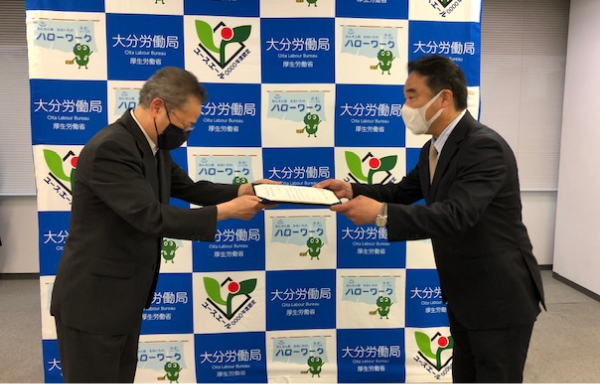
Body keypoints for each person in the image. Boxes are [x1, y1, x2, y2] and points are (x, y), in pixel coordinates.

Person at [316, 55, 545, 383]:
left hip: (499, 297)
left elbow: (456, 215)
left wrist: (379, 215)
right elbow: (402, 192)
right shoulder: (433, 148)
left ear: (445, 98)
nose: (405, 106)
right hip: (465, 295)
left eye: (412, 96)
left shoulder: (484, 147)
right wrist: (351, 189)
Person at [50, 66, 276, 383]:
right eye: (184, 124)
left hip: (123, 299)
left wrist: (243, 190)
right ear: (157, 106)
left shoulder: (152, 146)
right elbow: (150, 216)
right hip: (93, 303)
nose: (184, 134)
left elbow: (191, 188)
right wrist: (228, 211)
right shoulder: (112, 148)